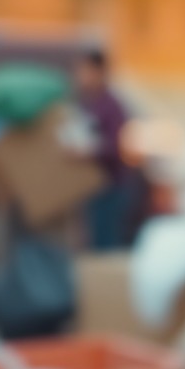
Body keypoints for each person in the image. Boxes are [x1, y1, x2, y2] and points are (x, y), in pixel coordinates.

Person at [75, 48, 131, 251]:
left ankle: (108, 283)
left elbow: (115, 147)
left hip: (111, 187)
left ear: (99, 72)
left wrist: (88, 151)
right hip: (94, 187)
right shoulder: (88, 103)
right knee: (95, 242)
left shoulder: (112, 106)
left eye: (86, 71)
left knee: (106, 244)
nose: (81, 77)